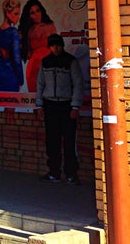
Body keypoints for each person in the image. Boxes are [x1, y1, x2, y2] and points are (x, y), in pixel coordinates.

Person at [35, 33, 84, 185]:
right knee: (52, 141)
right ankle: (54, 172)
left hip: (67, 105)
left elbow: (78, 84)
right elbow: (40, 84)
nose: (55, 48)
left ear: (62, 45)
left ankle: (71, 174)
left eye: (58, 45)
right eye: (52, 45)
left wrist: (75, 106)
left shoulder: (70, 61)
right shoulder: (45, 62)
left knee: (69, 141)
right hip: (50, 105)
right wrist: (39, 105)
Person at [19, 0, 57, 92]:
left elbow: (57, 48)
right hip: (33, 67)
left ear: (41, 11)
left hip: (49, 66)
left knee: (50, 93)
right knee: (35, 95)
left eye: (38, 11)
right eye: (32, 13)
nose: (36, 15)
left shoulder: (50, 26)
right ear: (29, 16)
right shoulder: (28, 31)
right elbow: (27, 53)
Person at [0, 0, 23, 91]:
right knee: (11, 100)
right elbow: (16, 59)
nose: (18, 17)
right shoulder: (13, 32)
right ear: (7, 13)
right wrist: (21, 80)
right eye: (16, 14)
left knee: (2, 99)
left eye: (19, 14)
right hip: (12, 74)